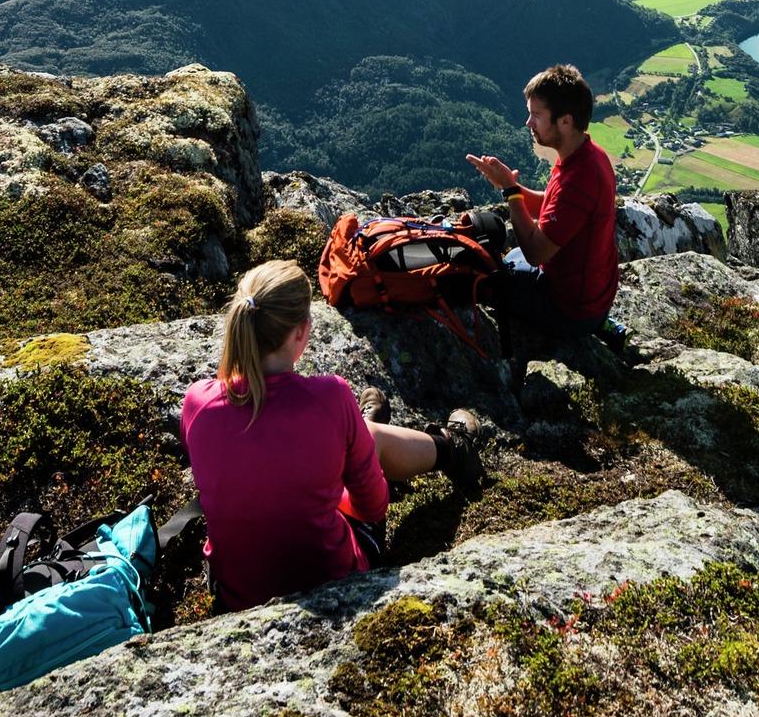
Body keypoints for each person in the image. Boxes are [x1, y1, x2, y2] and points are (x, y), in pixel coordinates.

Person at [180, 261, 484, 612]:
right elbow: (374, 506)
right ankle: (452, 447)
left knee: (348, 440)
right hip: (332, 579)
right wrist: (334, 492)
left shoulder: (198, 401)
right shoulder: (330, 397)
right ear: (300, 331)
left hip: (235, 592)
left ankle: (358, 440)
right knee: (371, 438)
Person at [465, 63, 620, 365]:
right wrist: (510, 185)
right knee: (510, 260)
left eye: (536, 115)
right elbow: (549, 203)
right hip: (594, 297)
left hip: (572, 310)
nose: (528, 123)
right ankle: (598, 323)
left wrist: (510, 193)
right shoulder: (586, 154)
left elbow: (536, 252)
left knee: (494, 274)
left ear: (565, 121)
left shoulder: (579, 179)